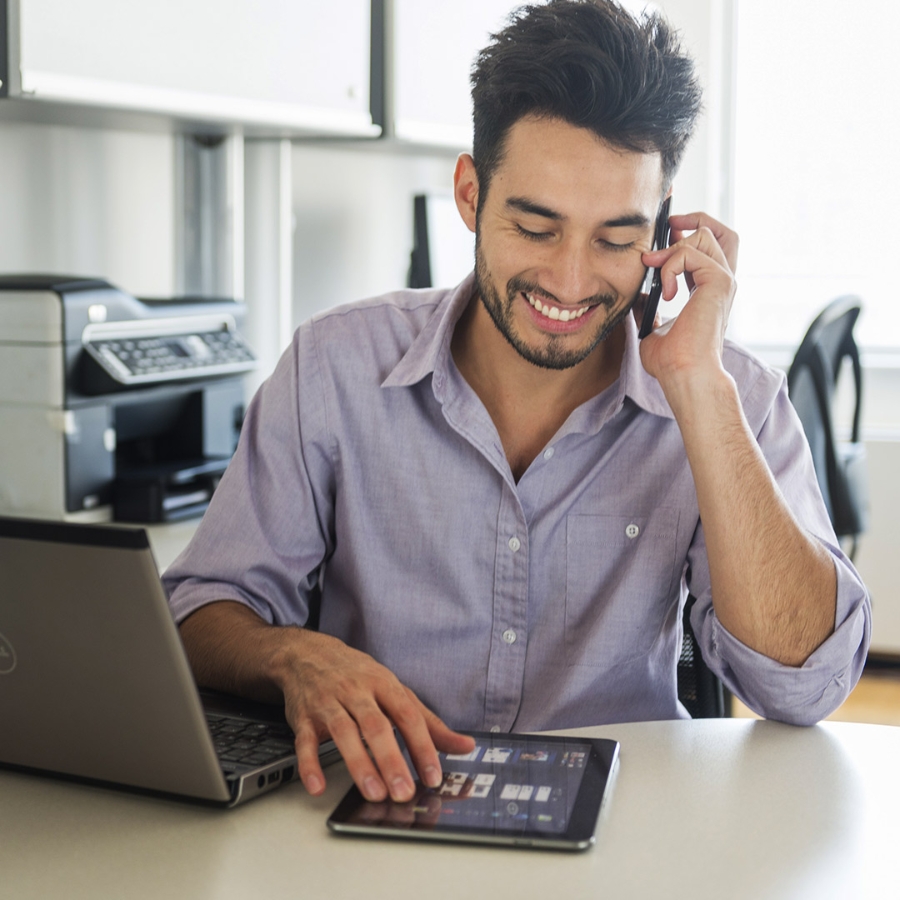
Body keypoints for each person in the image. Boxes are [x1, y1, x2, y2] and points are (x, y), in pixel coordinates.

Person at [164, 0, 870, 808]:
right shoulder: (334, 368)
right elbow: (198, 613)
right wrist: (291, 655)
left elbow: (806, 687)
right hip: (370, 822)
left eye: (615, 239)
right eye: (535, 228)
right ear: (470, 194)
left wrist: (702, 393)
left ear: (665, 227)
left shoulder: (725, 392)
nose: (571, 282)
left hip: (630, 831)